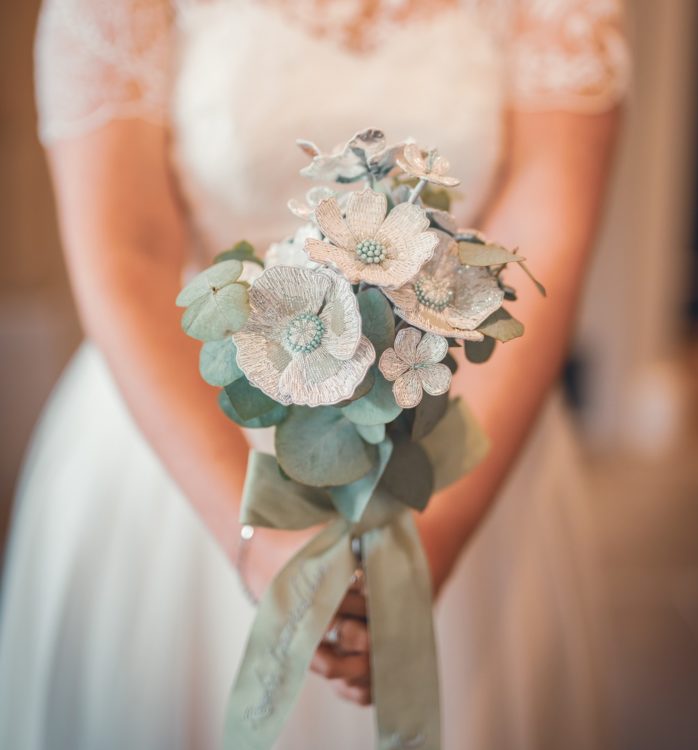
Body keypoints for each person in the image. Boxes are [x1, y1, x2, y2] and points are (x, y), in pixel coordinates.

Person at [0, 0, 630, 748]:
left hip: (455, 435)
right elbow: (126, 254)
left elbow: (541, 237)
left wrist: (433, 540)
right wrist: (256, 540)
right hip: (185, 451)